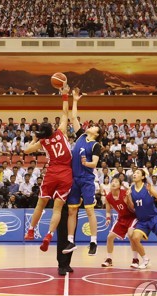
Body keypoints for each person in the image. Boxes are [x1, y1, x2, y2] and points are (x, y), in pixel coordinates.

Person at [23, 85, 73, 252]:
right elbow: (65, 113)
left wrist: (34, 138)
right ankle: (49, 235)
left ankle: (31, 230)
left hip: (51, 172)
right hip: (66, 172)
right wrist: (65, 95)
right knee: (57, 208)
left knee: (40, 204)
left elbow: (26, 151)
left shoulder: (42, 142)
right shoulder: (61, 131)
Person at [63, 88, 102, 256]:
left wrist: (87, 163)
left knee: (89, 210)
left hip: (86, 179)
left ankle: (93, 241)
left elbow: (95, 163)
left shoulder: (95, 145)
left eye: (94, 127)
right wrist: (75, 100)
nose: (90, 126)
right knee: (72, 210)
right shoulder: (80, 136)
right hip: (74, 178)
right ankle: (71, 241)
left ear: (97, 134)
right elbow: (73, 117)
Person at [101, 178, 139, 268]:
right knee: (109, 237)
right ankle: (109, 259)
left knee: (131, 235)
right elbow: (108, 211)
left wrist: (128, 198)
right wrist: (108, 219)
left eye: (116, 182)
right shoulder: (108, 197)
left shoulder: (124, 193)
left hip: (132, 217)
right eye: (112, 181)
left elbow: (133, 207)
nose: (113, 183)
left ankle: (135, 259)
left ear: (119, 185)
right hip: (121, 219)